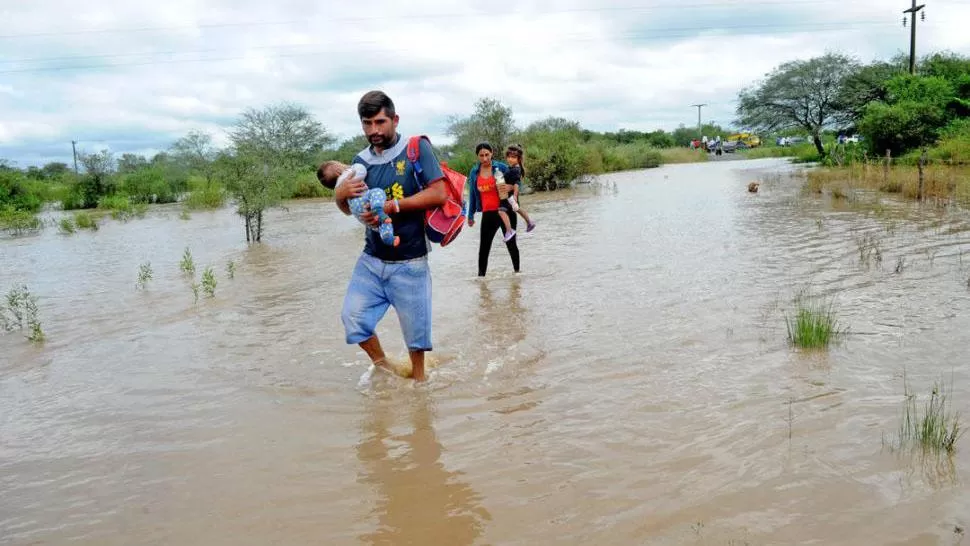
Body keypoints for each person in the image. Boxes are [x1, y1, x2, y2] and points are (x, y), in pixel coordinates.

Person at [333, 90, 447, 382]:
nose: (375, 130)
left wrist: (393, 205)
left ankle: (420, 387)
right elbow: (351, 209)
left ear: (395, 120)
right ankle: (385, 369)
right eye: (367, 124)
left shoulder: (415, 149)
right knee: (353, 318)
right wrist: (341, 198)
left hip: (411, 260)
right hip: (371, 259)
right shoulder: (359, 162)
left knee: (416, 338)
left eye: (381, 122)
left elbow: (439, 193)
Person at [465, 142, 520, 277]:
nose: (484, 158)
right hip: (488, 214)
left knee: (511, 244)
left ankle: (518, 275)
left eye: (487, 155)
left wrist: (512, 187)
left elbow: (517, 181)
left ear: (492, 153)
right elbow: (472, 194)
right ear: (477, 156)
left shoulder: (501, 167)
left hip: (505, 211)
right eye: (481, 155)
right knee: (484, 248)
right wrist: (470, 215)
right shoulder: (474, 172)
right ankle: (481, 280)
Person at [317, 160, 398, 247]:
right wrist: (351, 168)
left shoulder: (338, 187)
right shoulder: (348, 174)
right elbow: (361, 169)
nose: (346, 164)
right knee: (377, 192)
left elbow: (348, 212)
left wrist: (338, 195)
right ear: (338, 170)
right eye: (340, 163)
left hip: (359, 212)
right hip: (365, 200)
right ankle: (377, 208)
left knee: (380, 225)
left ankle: (387, 237)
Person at [503, 144, 536, 232]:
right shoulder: (512, 168)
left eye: (513, 157)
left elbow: (517, 184)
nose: (510, 159)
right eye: (509, 157)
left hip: (511, 196)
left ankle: (529, 222)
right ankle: (528, 222)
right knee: (517, 209)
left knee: (516, 209)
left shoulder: (515, 170)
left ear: (519, 159)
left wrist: (514, 195)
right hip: (509, 195)